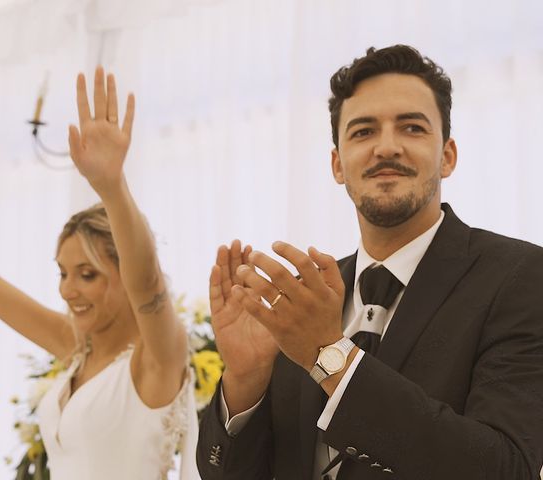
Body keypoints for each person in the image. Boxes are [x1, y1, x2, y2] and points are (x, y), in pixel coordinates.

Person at [196, 45, 543, 479]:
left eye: (412, 127)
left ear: (448, 155)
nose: (386, 147)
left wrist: (331, 355)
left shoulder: (520, 276)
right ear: (338, 164)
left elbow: (506, 468)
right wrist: (245, 379)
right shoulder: (302, 301)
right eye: (363, 132)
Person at [0, 67, 198, 480]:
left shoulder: (157, 361)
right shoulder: (78, 347)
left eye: (87, 274)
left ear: (124, 273)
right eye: (62, 273)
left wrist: (112, 187)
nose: (67, 290)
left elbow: (147, 282)